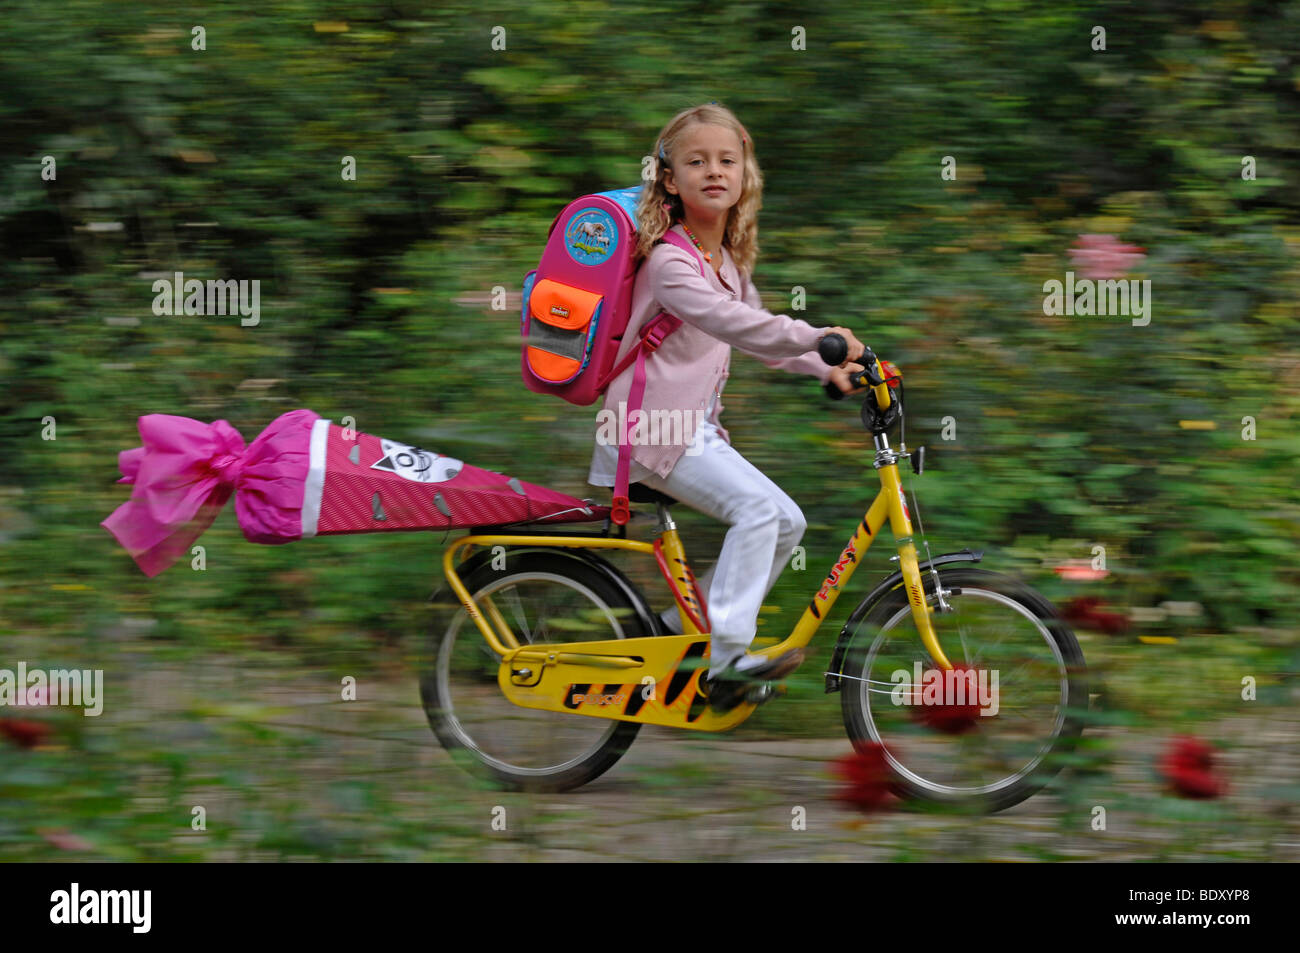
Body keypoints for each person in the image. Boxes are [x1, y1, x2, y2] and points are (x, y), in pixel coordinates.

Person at [587, 103, 867, 711]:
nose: (714, 171)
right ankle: (728, 662)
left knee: (786, 520)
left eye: (727, 160)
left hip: (692, 432)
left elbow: (762, 334)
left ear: (745, 176)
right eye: (696, 161)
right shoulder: (670, 263)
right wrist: (820, 334)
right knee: (756, 514)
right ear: (669, 180)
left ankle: (674, 633)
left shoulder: (728, 265)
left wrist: (834, 368)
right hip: (646, 430)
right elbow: (737, 325)